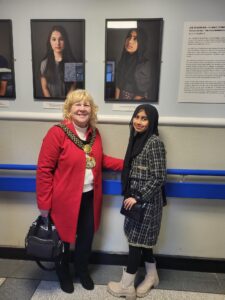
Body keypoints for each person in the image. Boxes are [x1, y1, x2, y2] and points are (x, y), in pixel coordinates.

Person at [36, 89, 123, 293]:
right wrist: (44, 205)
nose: (82, 108)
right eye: (77, 104)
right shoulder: (57, 133)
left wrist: (127, 163)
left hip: (90, 197)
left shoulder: (94, 134)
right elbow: (44, 170)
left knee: (85, 239)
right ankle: (63, 273)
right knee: (64, 241)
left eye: (86, 105)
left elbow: (101, 160)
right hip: (63, 200)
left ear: (91, 110)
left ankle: (82, 271)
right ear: (69, 109)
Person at [107, 104, 167, 299]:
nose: (139, 122)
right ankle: (151, 276)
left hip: (146, 203)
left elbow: (158, 177)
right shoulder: (136, 139)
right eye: (137, 117)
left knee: (135, 242)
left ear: (152, 122)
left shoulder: (154, 142)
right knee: (144, 242)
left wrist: (138, 197)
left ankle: (126, 286)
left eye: (144, 118)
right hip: (135, 200)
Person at [40, 25, 78, 98]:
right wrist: (51, 102)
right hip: (50, 104)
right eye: (54, 39)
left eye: (61, 39)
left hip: (67, 103)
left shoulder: (71, 62)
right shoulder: (44, 63)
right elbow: (44, 88)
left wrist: (66, 104)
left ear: (65, 41)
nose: (57, 43)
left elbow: (72, 88)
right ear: (50, 42)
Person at [115, 28, 151, 101]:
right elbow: (118, 85)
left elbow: (141, 93)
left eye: (135, 39)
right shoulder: (123, 60)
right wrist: (116, 102)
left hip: (135, 102)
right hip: (121, 99)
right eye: (129, 37)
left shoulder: (145, 63)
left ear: (141, 42)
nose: (130, 41)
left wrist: (126, 106)